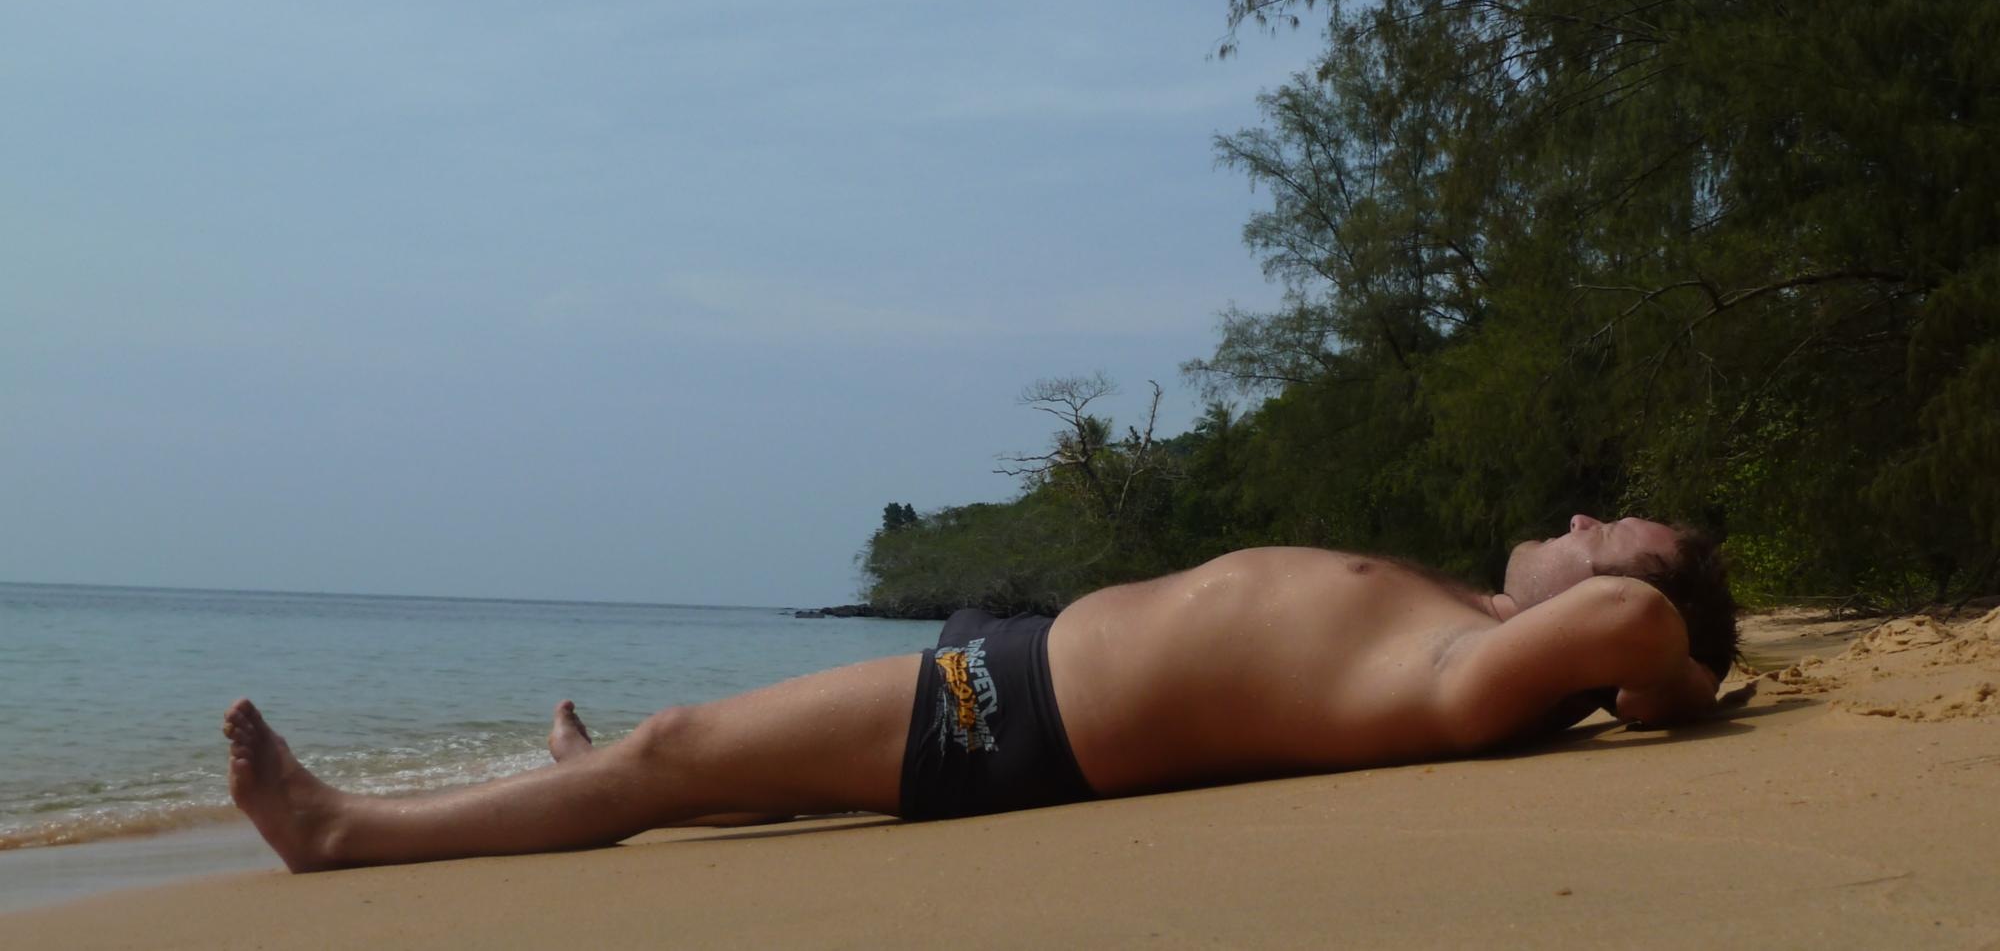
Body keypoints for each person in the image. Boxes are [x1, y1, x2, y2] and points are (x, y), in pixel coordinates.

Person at [222, 514, 1736, 871]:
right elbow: (1625, 619)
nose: (1586, 521)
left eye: (1618, 531)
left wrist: (1677, 676)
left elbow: (1632, 627)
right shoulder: (1466, 627)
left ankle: (349, 832)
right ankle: (589, 776)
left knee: (683, 747)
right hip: (1020, 678)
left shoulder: (1472, 673)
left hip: (1016, 718)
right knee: (750, 778)